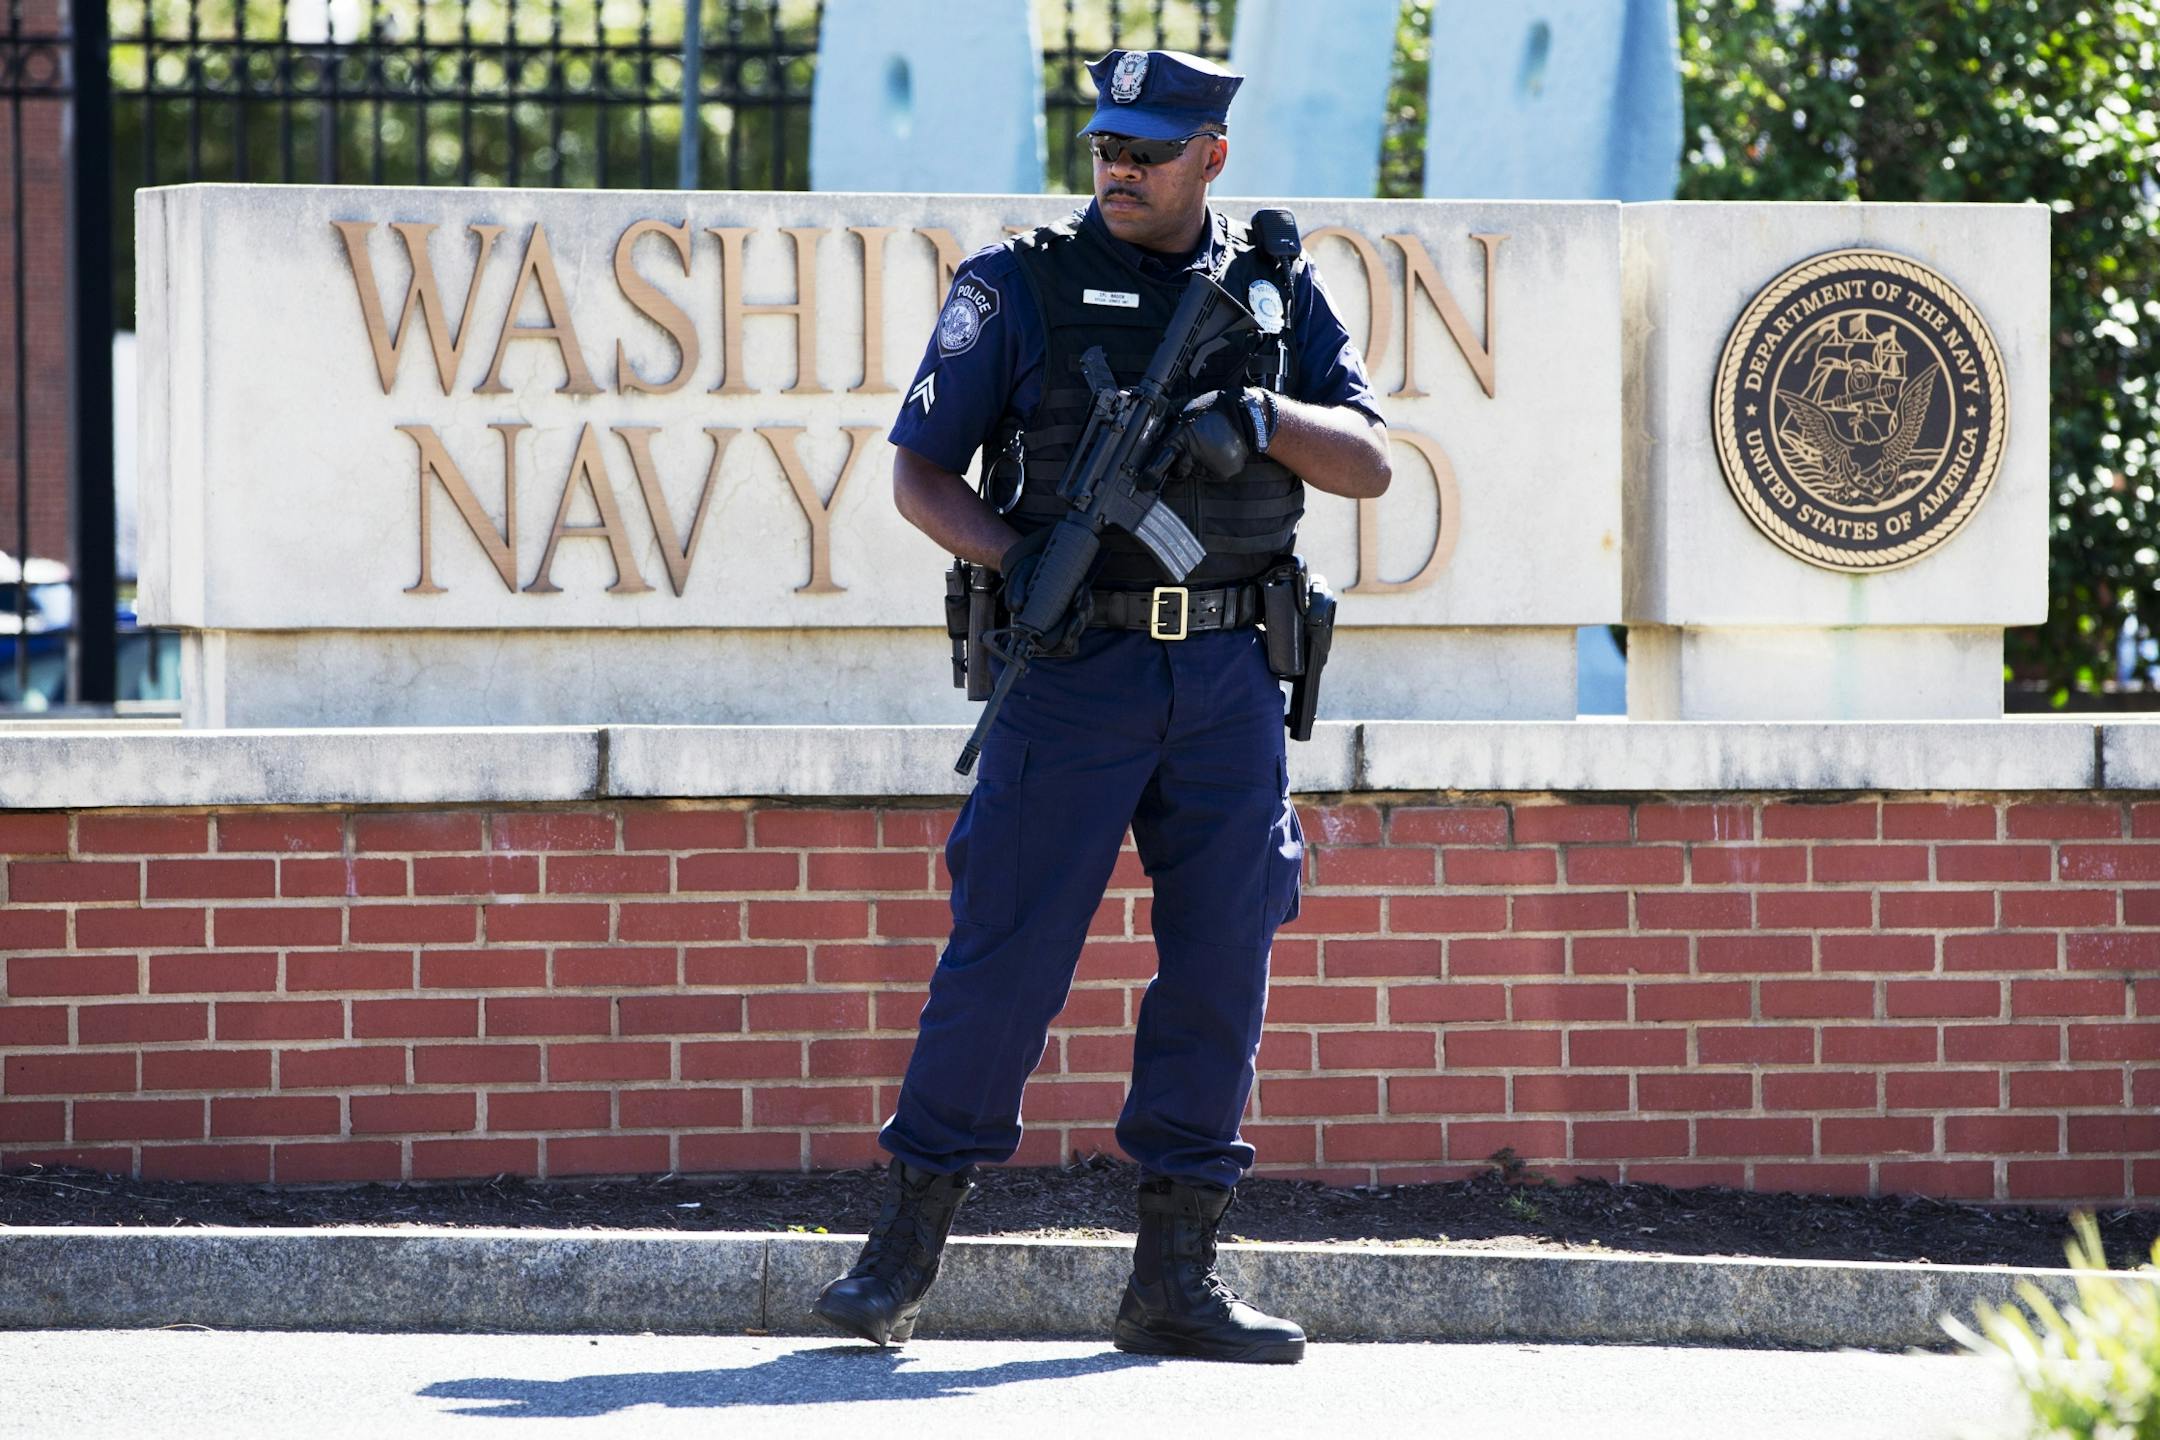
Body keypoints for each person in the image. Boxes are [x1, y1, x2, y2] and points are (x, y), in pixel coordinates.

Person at [813, 47, 1391, 1365]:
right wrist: (1024, 567)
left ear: (1211, 158)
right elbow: (919, 475)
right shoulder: (1013, 284)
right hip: (1073, 672)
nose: (1119, 169)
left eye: (1147, 150)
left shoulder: (1274, 286)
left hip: (1230, 676)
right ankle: (901, 1255)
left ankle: (1174, 1279)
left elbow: (1369, 461)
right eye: (1106, 149)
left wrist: (1262, 411)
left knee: (1220, 966)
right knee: (1005, 958)